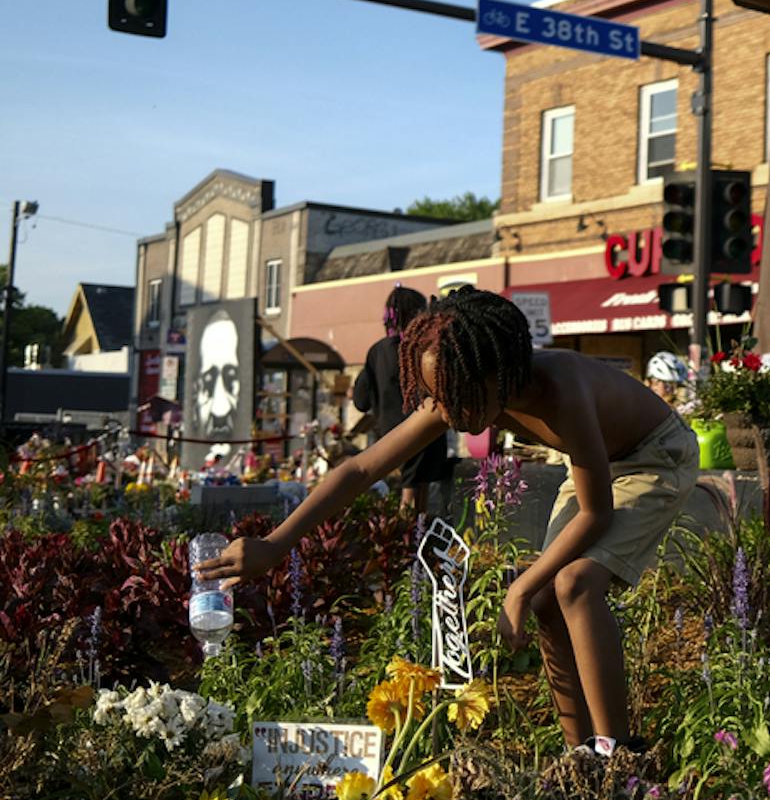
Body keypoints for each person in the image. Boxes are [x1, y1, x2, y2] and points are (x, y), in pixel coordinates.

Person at [198, 286, 699, 756]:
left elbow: (596, 514)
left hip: (654, 456)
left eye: (462, 397)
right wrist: (275, 545)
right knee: (549, 599)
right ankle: (580, 755)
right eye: (437, 395)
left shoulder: (561, 391)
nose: (451, 415)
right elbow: (359, 468)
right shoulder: (457, 394)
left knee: (573, 583)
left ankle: (618, 758)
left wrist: (518, 588)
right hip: (593, 463)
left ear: (499, 373)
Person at [351, 286, 453, 514]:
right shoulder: (422, 349)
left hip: (390, 436)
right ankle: (411, 541)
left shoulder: (376, 351)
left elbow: (361, 401)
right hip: (423, 430)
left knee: (411, 491)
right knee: (416, 497)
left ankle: (407, 540)